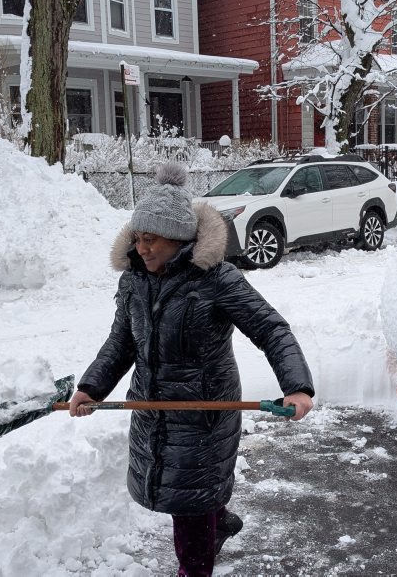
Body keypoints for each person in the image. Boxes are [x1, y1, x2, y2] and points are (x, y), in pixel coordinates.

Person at [69, 162, 315, 576]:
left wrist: (297, 386)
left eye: (150, 239)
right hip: (152, 408)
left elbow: (271, 329)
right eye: (137, 238)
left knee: (190, 503)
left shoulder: (216, 280)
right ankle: (220, 522)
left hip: (204, 414)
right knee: (185, 490)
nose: (141, 248)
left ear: (179, 239)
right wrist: (91, 387)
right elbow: (121, 342)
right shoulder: (134, 281)